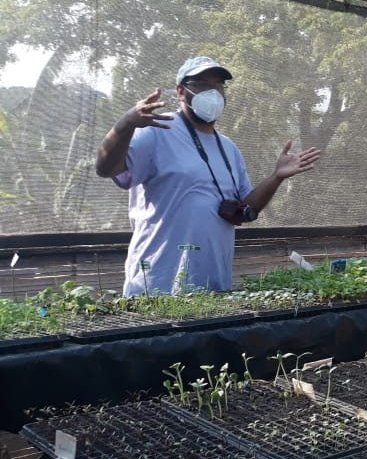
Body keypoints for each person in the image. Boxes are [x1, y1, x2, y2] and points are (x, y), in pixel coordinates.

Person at [95, 56, 321, 296]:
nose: (213, 92)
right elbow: (105, 169)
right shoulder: (156, 130)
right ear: (181, 91)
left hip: (213, 284)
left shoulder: (228, 148)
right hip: (157, 284)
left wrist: (276, 177)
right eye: (202, 84)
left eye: (219, 85)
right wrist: (126, 123)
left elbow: (245, 209)